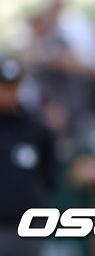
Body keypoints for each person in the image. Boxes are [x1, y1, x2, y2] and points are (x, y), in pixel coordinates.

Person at [0, 57, 56, 256]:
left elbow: (48, 176)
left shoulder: (37, 130)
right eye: (3, 87)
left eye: (12, 87)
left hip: (27, 227)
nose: (8, 94)